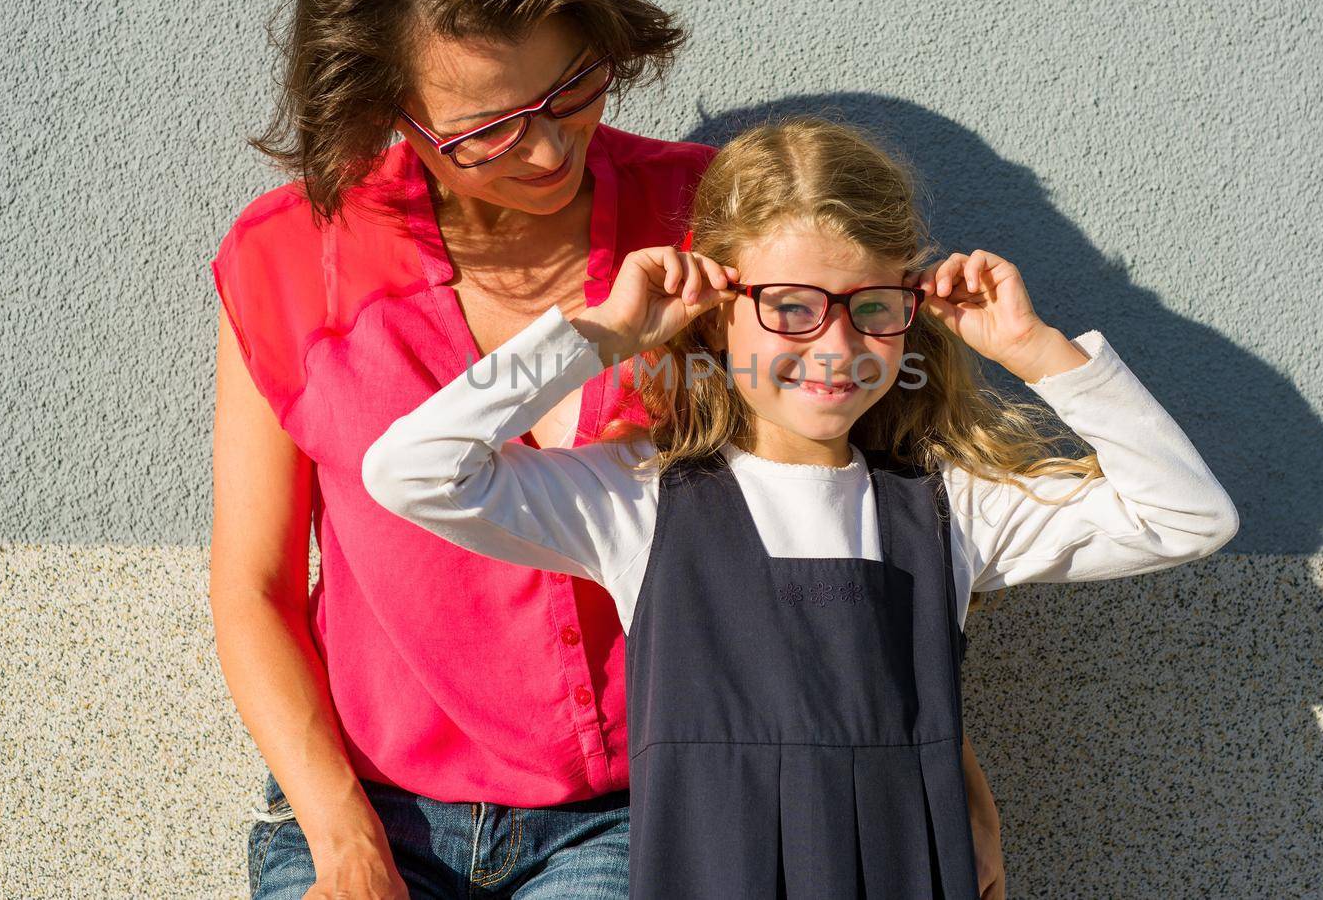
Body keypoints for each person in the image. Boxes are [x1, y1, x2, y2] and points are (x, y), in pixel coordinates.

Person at [208, 0, 1008, 898]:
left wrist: (946, 775)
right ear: (382, 112)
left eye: (572, 87)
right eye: (487, 130)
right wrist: (339, 841)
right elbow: (253, 584)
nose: (546, 150)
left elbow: (861, 514)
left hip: (656, 804)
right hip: (366, 807)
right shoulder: (288, 261)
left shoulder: (708, 222)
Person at [360, 118, 1240, 898]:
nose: (838, 345)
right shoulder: (635, 500)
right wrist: (601, 333)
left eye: (873, 309)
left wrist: (1037, 350)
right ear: (715, 320)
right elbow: (413, 472)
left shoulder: (948, 509)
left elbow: (1189, 518)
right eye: (790, 308)